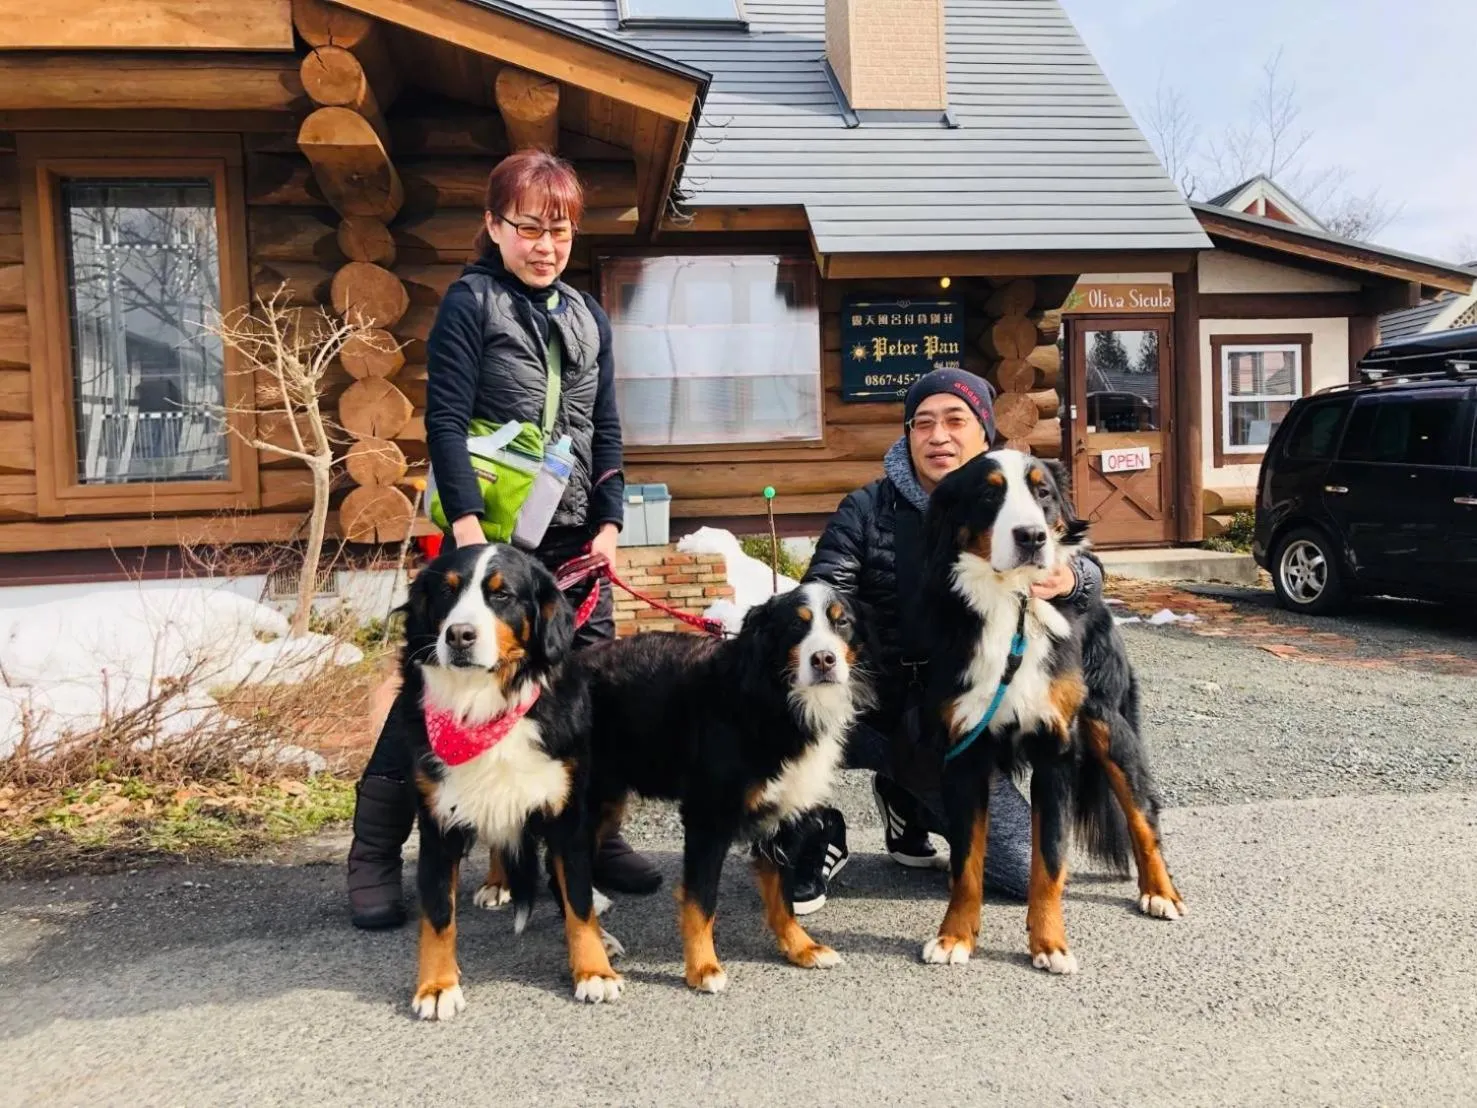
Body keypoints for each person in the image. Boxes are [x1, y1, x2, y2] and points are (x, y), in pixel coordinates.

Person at [346, 150, 662, 930]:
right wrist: (463, 532)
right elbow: (444, 419)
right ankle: (374, 852)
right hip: (484, 537)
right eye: (526, 227)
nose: (543, 245)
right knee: (435, 685)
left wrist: (611, 520)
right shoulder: (471, 302)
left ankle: (589, 834)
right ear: (494, 226)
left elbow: (606, 429)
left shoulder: (588, 315)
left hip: (571, 541)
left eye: (557, 229)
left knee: (591, 690)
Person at [786, 368, 1104, 914]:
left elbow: (1081, 554)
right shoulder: (866, 508)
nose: (938, 436)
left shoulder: (1017, 495)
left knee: (1017, 875)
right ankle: (806, 829)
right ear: (907, 435)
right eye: (923, 423)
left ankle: (907, 799)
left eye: (956, 420)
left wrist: (1076, 580)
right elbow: (825, 587)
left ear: (984, 434)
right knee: (788, 709)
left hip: (967, 713)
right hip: (877, 708)